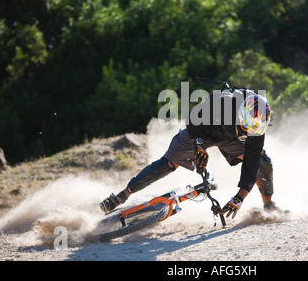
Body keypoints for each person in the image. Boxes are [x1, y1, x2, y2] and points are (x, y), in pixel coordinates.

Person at [99, 88, 279, 219]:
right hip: (200, 132)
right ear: (241, 113)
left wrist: (239, 198)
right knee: (168, 164)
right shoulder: (222, 103)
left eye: (255, 128)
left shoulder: (255, 129)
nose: (250, 130)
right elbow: (193, 117)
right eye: (247, 125)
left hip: (231, 140)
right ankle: (122, 195)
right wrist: (198, 145)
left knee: (264, 162)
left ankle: (269, 205)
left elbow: (252, 163)